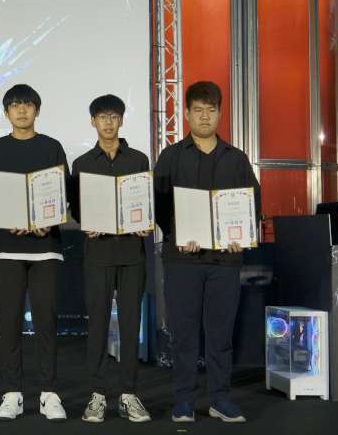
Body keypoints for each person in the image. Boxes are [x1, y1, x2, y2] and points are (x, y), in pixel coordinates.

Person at [153, 81, 261, 424]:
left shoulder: (237, 159)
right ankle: (184, 401)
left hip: (225, 260)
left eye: (210, 110)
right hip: (182, 259)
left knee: (220, 333)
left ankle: (220, 399)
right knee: (184, 333)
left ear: (220, 113)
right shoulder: (171, 156)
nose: (204, 117)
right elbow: (158, 205)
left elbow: (252, 205)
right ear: (186, 113)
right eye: (197, 110)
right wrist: (177, 233)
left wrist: (241, 237)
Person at [0, 84, 70, 421]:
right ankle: (12, 393)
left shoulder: (52, 147)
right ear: (6, 112)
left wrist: (47, 222)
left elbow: (63, 195)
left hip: (46, 249)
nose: (21, 110)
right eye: (15, 105)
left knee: (46, 321)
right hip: (7, 248)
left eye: (27, 105)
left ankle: (49, 393)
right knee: (10, 323)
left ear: (37, 110)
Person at [71, 94, 152, 423]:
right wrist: (85, 223)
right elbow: (77, 208)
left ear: (121, 120)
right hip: (98, 254)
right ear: (93, 121)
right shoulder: (82, 164)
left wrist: (146, 221)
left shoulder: (139, 160)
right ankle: (97, 395)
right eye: (102, 117)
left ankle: (129, 394)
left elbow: (146, 203)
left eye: (114, 116)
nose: (108, 122)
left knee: (131, 326)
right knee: (98, 326)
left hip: (132, 253)